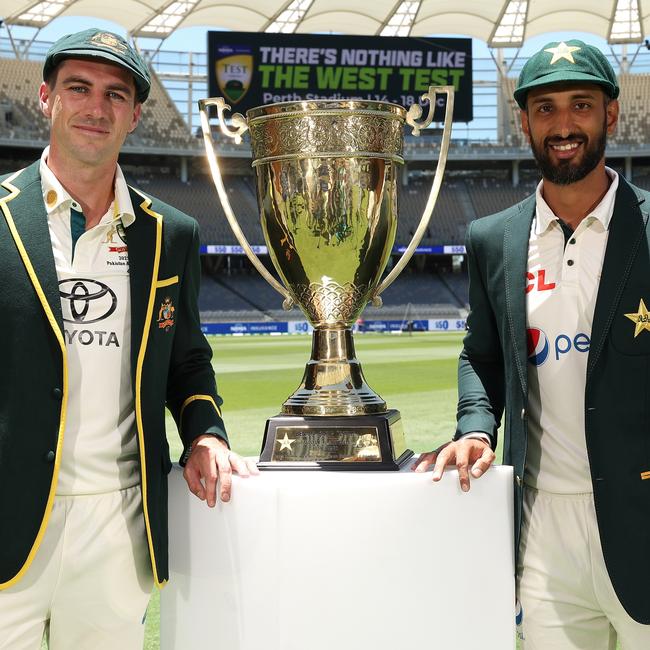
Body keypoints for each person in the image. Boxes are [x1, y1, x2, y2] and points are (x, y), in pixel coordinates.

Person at [0, 28, 257, 649]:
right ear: (46, 98)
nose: (97, 107)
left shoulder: (171, 233)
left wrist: (205, 433)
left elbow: (188, 359)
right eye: (79, 88)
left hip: (119, 525)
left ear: (136, 113)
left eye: (116, 94)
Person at [415, 39, 650, 648]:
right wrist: (474, 427)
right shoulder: (494, 237)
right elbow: (482, 354)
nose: (563, 125)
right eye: (545, 109)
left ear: (611, 114)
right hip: (543, 524)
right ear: (524, 121)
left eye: (581, 105)